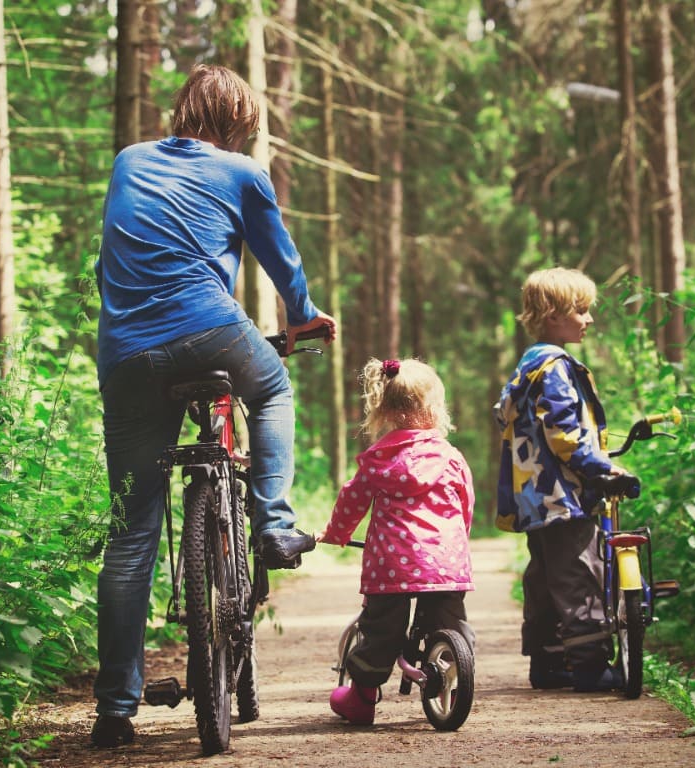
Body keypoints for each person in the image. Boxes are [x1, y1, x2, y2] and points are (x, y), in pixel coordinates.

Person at [91, 64, 337, 748]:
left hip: (126, 354)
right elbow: (285, 271)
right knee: (274, 389)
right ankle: (274, 524)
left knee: (132, 533)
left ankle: (114, 709)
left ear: (182, 110)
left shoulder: (129, 160)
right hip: (208, 330)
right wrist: (307, 318)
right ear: (239, 123)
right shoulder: (241, 173)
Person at [317, 357, 475, 726]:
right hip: (445, 561)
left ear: (385, 408)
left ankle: (362, 697)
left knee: (380, 630)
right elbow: (465, 504)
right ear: (436, 406)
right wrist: (457, 542)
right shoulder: (451, 457)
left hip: (391, 563)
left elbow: (352, 500)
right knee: (450, 622)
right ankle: (451, 670)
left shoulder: (379, 459)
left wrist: (337, 533)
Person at [494, 266, 627, 693]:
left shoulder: (529, 364)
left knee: (547, 578)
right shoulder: (554, 367)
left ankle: (549, 663)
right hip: (562, 494)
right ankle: (589, 666)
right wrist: (602, 469)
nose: (588, 320)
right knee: (579, 574)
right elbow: (564, 434)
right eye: (581, 311)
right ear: (553, 314)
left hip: (535, 497)